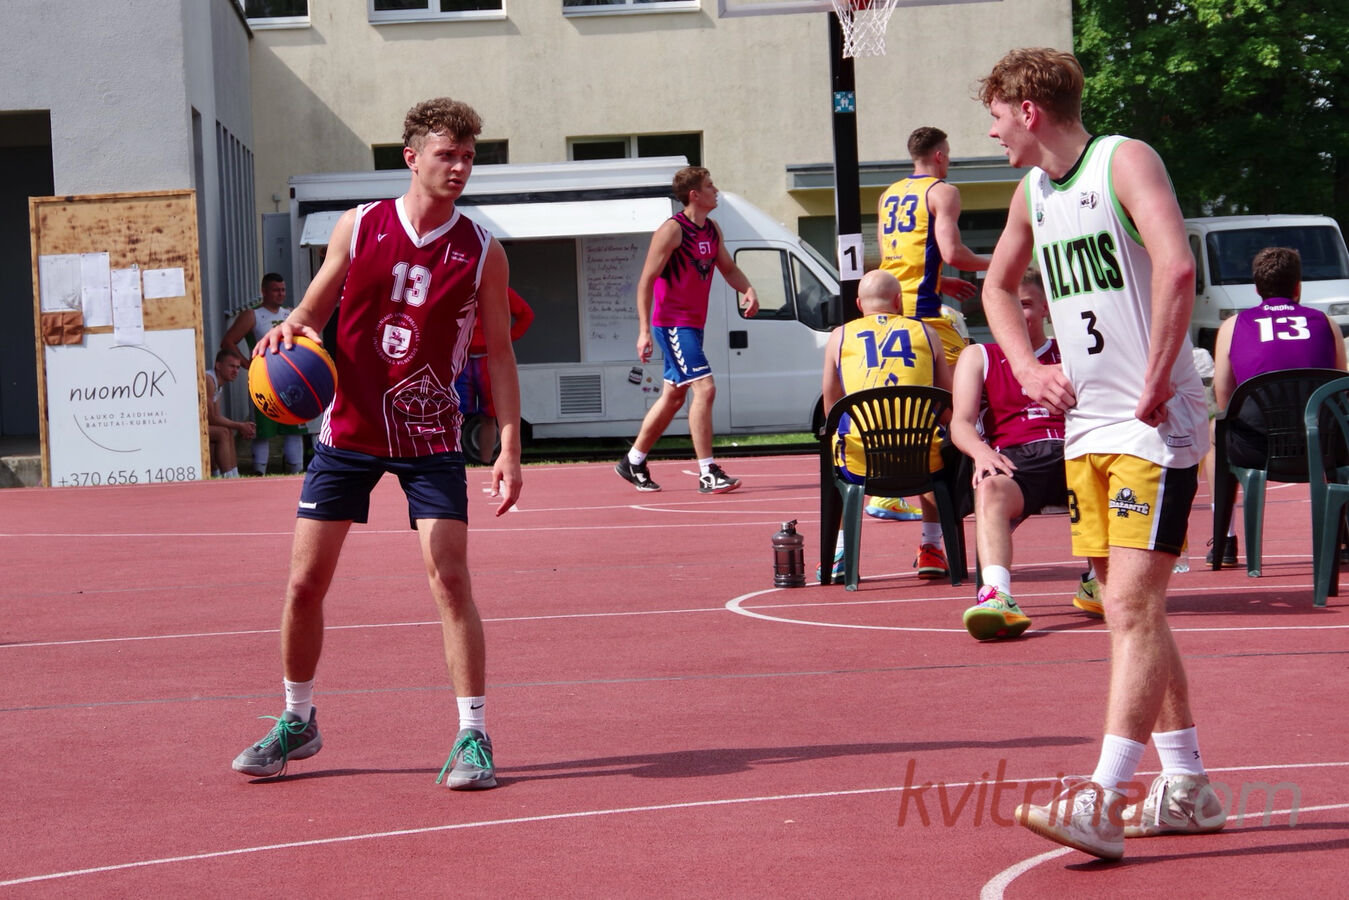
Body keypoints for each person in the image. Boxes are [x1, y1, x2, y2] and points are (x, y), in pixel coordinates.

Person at [231, 97, 522, 791]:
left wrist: (509, 445)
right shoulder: (360, 225)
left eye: (468, 157)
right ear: (412, 158)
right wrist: (291, 327)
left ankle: (474, 734)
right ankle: (297, 719)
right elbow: (316, 303)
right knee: (305, 582)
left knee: (450, 579)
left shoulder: (482, 250)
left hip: (430, 433)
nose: (459, 167)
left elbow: (501, 353)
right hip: (350, 430)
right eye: (447, 155)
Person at [977, 47, 1225, 860]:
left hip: (1153, 423)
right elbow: (993, 286)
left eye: (996, 116)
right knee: (1130, 608)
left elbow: (1176, 268)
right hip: (1088, 428)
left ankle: (1101, 797)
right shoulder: (1031, 193)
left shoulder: (1122, 160)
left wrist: (1158, 377)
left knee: (1129, 608)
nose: (991, 132)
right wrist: (1025, 367)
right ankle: (1185, 785)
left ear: (1028, 110)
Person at [950, 266, 1104, 639]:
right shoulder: (979, 356)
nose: (1018, 313)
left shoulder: (1072, 352)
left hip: (1075, 450)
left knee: (1110, 468)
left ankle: (1098, 580)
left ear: (1047, 308)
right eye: (1009, 304)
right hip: (1016, 459)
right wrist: (981, 453)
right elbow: (960, 423)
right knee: (989, 487)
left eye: (1026, 304)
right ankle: (997, 596)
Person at [614, 166, 759, 494]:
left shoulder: (712, 229)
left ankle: (632, 461)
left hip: (693, 325)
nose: (716, 191)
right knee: (705, 389)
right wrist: (643, 331)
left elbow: (728, 268)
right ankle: (708, 472)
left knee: (674, 396)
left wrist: (748, 289)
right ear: (694, 195)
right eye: (710, 186)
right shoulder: (672, 230)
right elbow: (646, 281)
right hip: (673, 324)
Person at [1207, 246, 1347, 566]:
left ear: (1257, 288)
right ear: (1298, 286)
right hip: (1321, 446)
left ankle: (1224, 539)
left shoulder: (1233, 326)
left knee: (1217, 428)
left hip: (1257, 449)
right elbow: (1340, 391)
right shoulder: (1326, 323)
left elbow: (1224, 399)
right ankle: (1343, 534)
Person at [819, 269, 953, 579]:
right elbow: (947, 404)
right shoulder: (927, 333)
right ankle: (932, 546)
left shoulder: (840, 336)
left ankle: (841, 553)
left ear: (858, 304)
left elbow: (831, 406)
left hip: (861, 462)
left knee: (837, 441)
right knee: (937, 440)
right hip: (923, 461)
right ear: (898, 301)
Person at [877, 126, 990, 368]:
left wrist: (939, 280)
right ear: (939, 156)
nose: (948, 161)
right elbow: (953, 254)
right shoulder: (942, 192)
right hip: (919, 308)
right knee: (968, 371)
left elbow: (893, 256)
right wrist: (999, 262)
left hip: (887, 304)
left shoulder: (887, 195)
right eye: (947, 155)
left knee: (914, 380)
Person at [222, 273, 308, 475]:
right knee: (262, 430)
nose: (281, 294)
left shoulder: (290, 313)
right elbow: (228, 341)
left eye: (283, 290)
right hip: (264, 380)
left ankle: (297, 473)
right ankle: (259, 473)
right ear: (264, 291)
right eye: (276, 290)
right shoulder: (252, 315)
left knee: (293, 428)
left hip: (290, 379)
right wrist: (246, 363)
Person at [456, 286, 534, 463]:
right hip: (461, 360)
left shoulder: (498, 287)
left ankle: (485, 461)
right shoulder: (458, 284)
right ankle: (454, 462)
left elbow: (526, 315)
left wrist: (505, 339)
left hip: (488, 360)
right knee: (454, 414)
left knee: (489, 415)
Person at [204, 349, 256, 478]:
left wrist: (240, 426)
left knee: (227, 430)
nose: (236, 371)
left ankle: (234, 475)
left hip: (199, 425)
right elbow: (211, 418)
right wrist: (240, 426)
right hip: (185, 427)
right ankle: (228, 477)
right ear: (218, 365)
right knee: (223, 432)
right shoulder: (208, 380)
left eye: (238, 367)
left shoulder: (218, 384)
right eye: (231, 366)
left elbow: (216, 417)